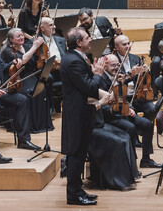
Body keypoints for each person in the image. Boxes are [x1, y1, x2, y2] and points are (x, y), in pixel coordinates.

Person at [61, 27, 111, 205]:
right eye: (88, 38)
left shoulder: (76, 57)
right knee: (76, 154)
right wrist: (98, 73)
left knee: (81, 153)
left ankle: (78, 189)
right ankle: (73, 195)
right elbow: (89, 87)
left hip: (83, 111)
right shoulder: (73, 61)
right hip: (77, 114)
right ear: (79, 43)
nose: (91, 40)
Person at [97, 53, 158, 169]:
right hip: (110, 116)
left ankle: (146, 159)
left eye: (117, 65)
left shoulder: (118, 77)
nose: (116, 67)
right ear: (105, 66)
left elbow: (123, 97)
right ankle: (131, 163)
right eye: (113, 65)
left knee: (147, 125)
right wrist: (113, 109)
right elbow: (101, 104)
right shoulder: (100, 80)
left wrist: (129, 108)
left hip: (123, 111)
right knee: (131, 128)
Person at [0, 27, 50, 132]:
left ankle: (41, 124)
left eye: (22, 35)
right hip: (17, 79)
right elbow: (22, 61)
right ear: (11, 39)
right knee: (29, 92)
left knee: (41, 89)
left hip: (30, 75)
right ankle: (30, 125)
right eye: (18, 36)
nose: (21, 37)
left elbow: (35, 61)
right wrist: (35, 46)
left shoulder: (26, 46)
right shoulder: (7, 50)